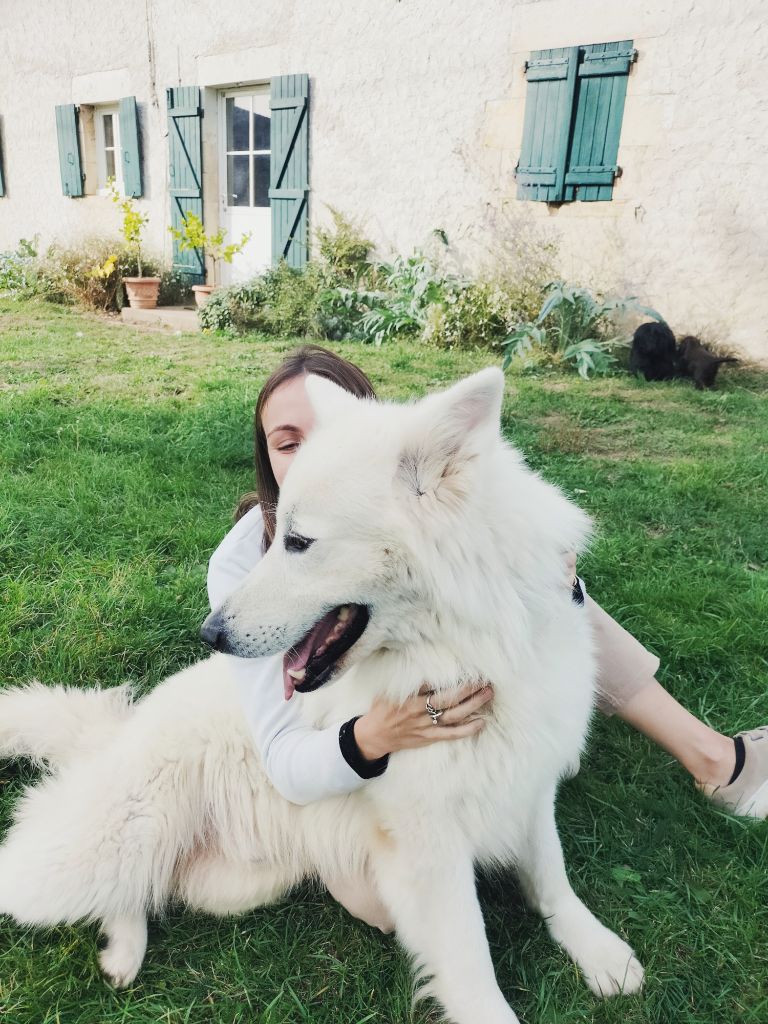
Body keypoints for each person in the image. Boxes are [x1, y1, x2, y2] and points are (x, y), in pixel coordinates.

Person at [208, 345, 768, 829]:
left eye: (329, 437)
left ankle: (710, 758)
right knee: (372, 894)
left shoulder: (410, 506)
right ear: (265, 452)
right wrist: (373, 735)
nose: (317, 458)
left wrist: (547, 573)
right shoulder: (239, 564)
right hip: (348, 757)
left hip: (445, 645)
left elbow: (491, 575)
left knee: (549, 586)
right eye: (288, 443)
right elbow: (285, 759)